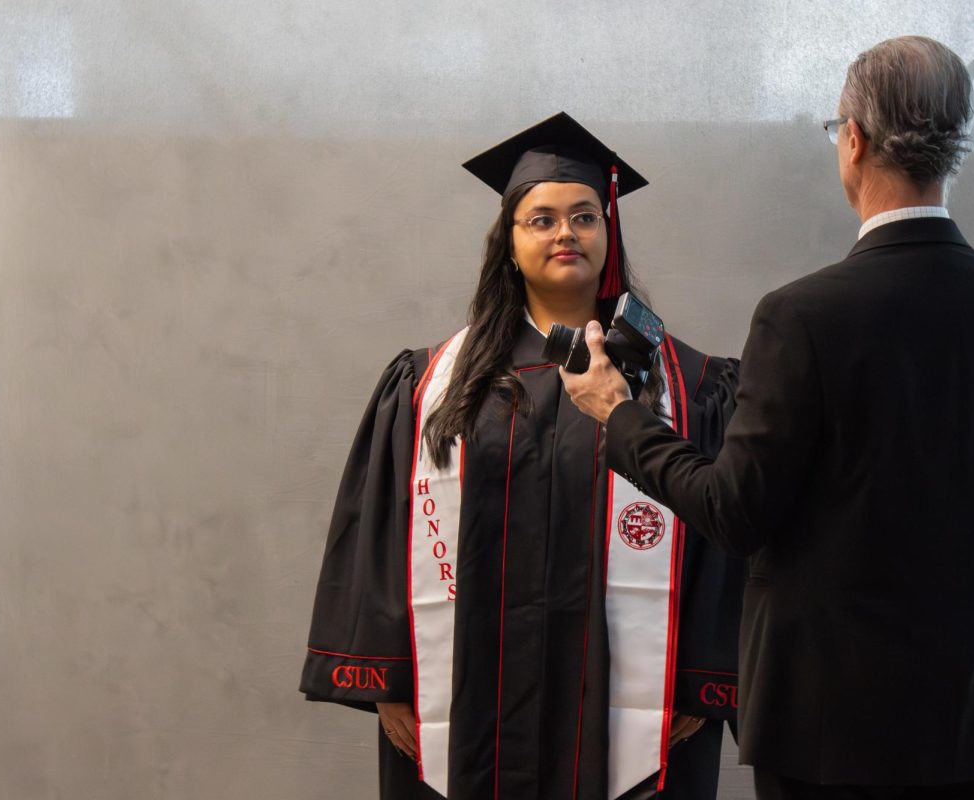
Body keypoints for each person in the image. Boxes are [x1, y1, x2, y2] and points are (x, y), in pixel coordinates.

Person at [561, 37, 974, 800]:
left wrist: (619, 414)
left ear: (852, 140)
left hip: (829, 724)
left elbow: (733, 511)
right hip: (968, 717)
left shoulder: (803, 315)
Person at [300, 112, 745, 800]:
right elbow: (382, 532)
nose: (566, 232)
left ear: (608, 233)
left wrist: (702, 679)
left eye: (584, 216)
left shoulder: (685, 386)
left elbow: (725, 533)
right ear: (508, 243)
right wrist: (389, 677)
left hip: (633, 709)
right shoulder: (430, 384)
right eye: (541, 219)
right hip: (465, 699)